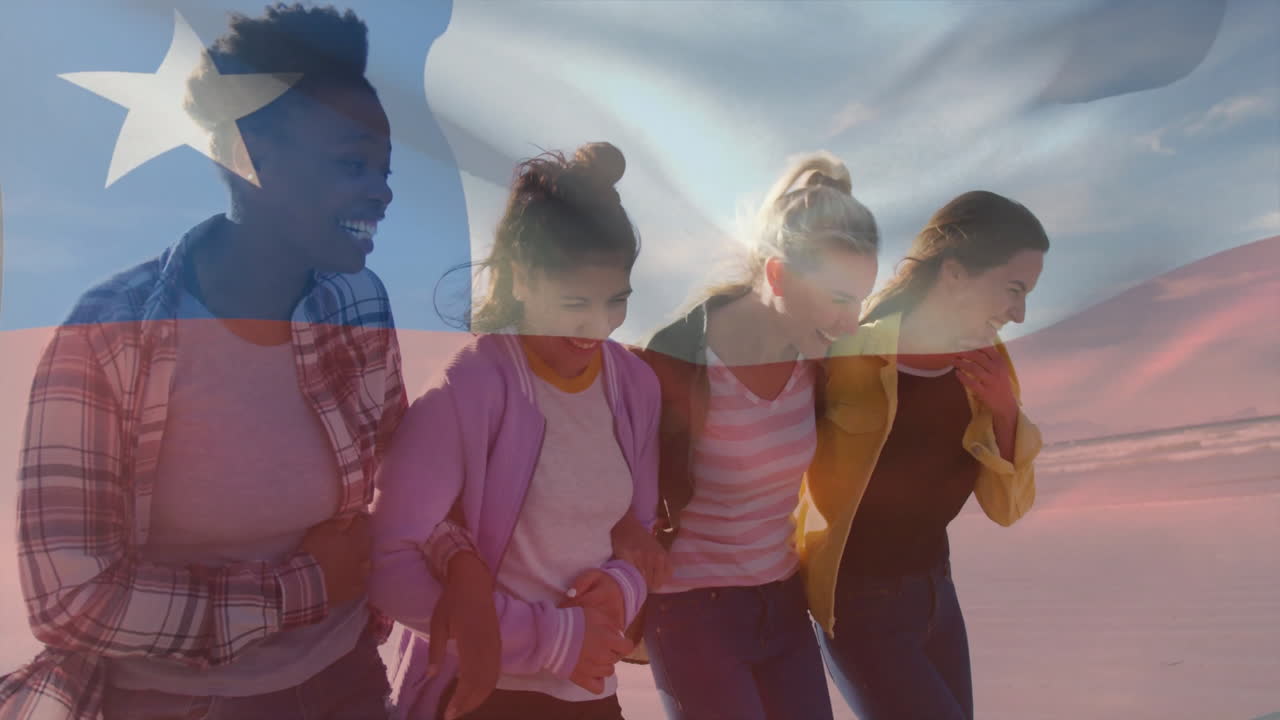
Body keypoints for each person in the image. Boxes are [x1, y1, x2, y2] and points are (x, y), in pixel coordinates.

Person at [0, 5, 405, 719]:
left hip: (349, 681)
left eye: (384, 168)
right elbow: (72, 600)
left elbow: (401, 473)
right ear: (249, 154)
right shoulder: (106, 337)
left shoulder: (359, 303)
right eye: (351, 163)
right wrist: (302, 585)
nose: (382, 191)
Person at [370, 142, 659, 720]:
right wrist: (549, 640)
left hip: (591, 696)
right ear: (522, 279)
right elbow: (387, 560)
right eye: (575, 302)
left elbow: (638, 530)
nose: (596, 327)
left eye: (616, 302)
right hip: (478, 693)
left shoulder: (634, 385)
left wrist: (623, 590)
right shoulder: (471, 386)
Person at [632, 152, 879, 720]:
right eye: (840, 298)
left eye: (860, 298)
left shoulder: (818, 361)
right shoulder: (675, 360)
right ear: (777, 275)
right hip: (691, 613)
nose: (851, 320)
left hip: (783, 605)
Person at [797, 191, 1049, 720]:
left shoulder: (988, 364)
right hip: (857, 605)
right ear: (954, 272)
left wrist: (1004, 411)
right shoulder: (846, 355)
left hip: (937, 595)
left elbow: (1008, 507)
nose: (1020, 314)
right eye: (1013, 289)